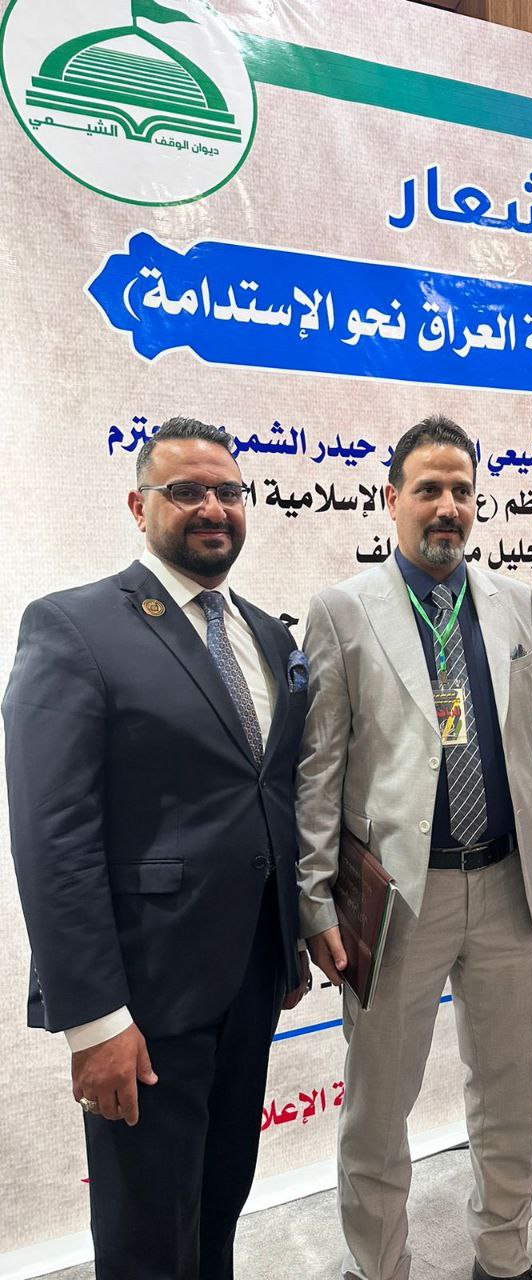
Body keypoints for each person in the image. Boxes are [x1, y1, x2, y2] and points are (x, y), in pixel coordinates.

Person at [3, 417, 310, 1280]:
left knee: (218, 1209)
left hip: (251, 978)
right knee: (146, 1240)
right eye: (186, 491)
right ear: (140, 507)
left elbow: (273, 795)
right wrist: (94, 1020)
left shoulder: (269, 636)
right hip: (143, 998)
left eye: (228, 491)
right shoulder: (72, 628)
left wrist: (289, 939)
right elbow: (52, 836)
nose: (213, 507)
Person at [296, 413, 532, 1280]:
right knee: (377, 1108)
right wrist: (316, 902)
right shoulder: (344, 611)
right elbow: (319, 771)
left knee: (508, 1094)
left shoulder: (515, 604)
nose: (448, 507)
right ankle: (377, 1266)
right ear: (391, 498)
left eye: (462, 490)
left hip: (506, 891)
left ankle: (504, 1255)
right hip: (397, 901)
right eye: (429, 489)